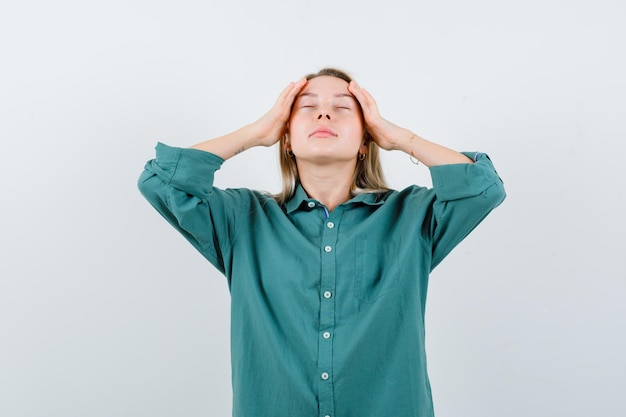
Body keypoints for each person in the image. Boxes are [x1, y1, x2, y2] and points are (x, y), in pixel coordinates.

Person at [138, 68, 506, 417]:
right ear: (286, 140)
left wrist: (399, 138)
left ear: (365, 141)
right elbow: (161, 183)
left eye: (343, 108)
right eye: (307, 107)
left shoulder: (411, 216)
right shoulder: (242, 218)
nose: (324, 116)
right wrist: (254, 133)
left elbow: (482, 188)